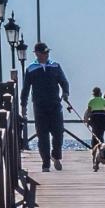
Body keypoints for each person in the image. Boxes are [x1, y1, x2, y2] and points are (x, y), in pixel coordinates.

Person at [19, 42, 74, 172]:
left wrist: (65, 93)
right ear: (37, 54)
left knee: (59, 133)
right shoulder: (31, 69)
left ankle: (56, 156)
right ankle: (45, 164)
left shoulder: (55, 65)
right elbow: (25, 89)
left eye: (47, 52)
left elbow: (64, 81)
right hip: (39, 107)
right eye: (44, 52)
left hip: (55, 104)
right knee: (42, 136)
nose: (46, 54)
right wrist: (23, 105)